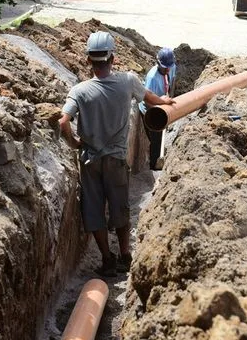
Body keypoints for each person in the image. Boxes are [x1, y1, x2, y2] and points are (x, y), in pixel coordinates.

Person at [58, 31, 174, 277]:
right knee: (120, 208)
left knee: (94, 210)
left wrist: (74, 143)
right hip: (116, 161)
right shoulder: (128, 81)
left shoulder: (79, 91)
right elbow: (150, 98)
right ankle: (124, 255)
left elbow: (63, 121)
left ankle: (107, 260)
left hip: (90, 161)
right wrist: (166, 102)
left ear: (89, 60)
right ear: (113, 58)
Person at [138, 48, 176, 171]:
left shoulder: (171, 67)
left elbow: (173, 81)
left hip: (162, 104)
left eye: (169, 67)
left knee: (159, 137)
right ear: (158, 63)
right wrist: (161, 111)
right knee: (156, 139)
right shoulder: (152, 78)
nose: (167, 70)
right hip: (150, 110)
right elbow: (147, 100)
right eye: (165, 67)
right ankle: (154, 166)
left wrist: (169, 96)